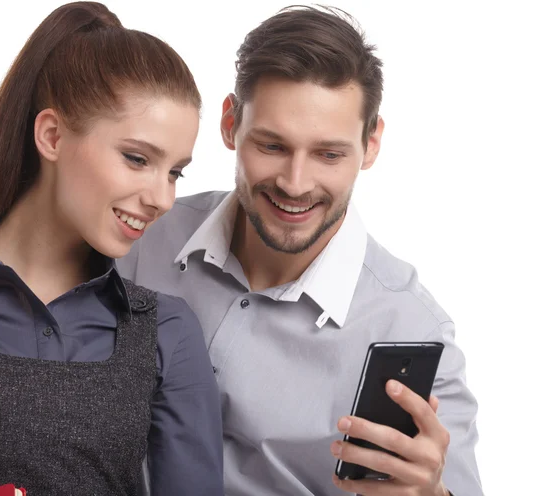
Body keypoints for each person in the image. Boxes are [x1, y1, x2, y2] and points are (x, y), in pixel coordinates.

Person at [118, 5, 483, 496]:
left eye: (328, 154)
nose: (295, 184)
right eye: (271, 146)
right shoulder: (139, 234)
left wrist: (433, 493)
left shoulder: (412, 328)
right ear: (230, 124)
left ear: (371, 144)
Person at [0, 2, 223, 495]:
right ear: (52, 136)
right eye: (137, 158)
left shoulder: (167, 332)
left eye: (175, 172)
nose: (163, 198)